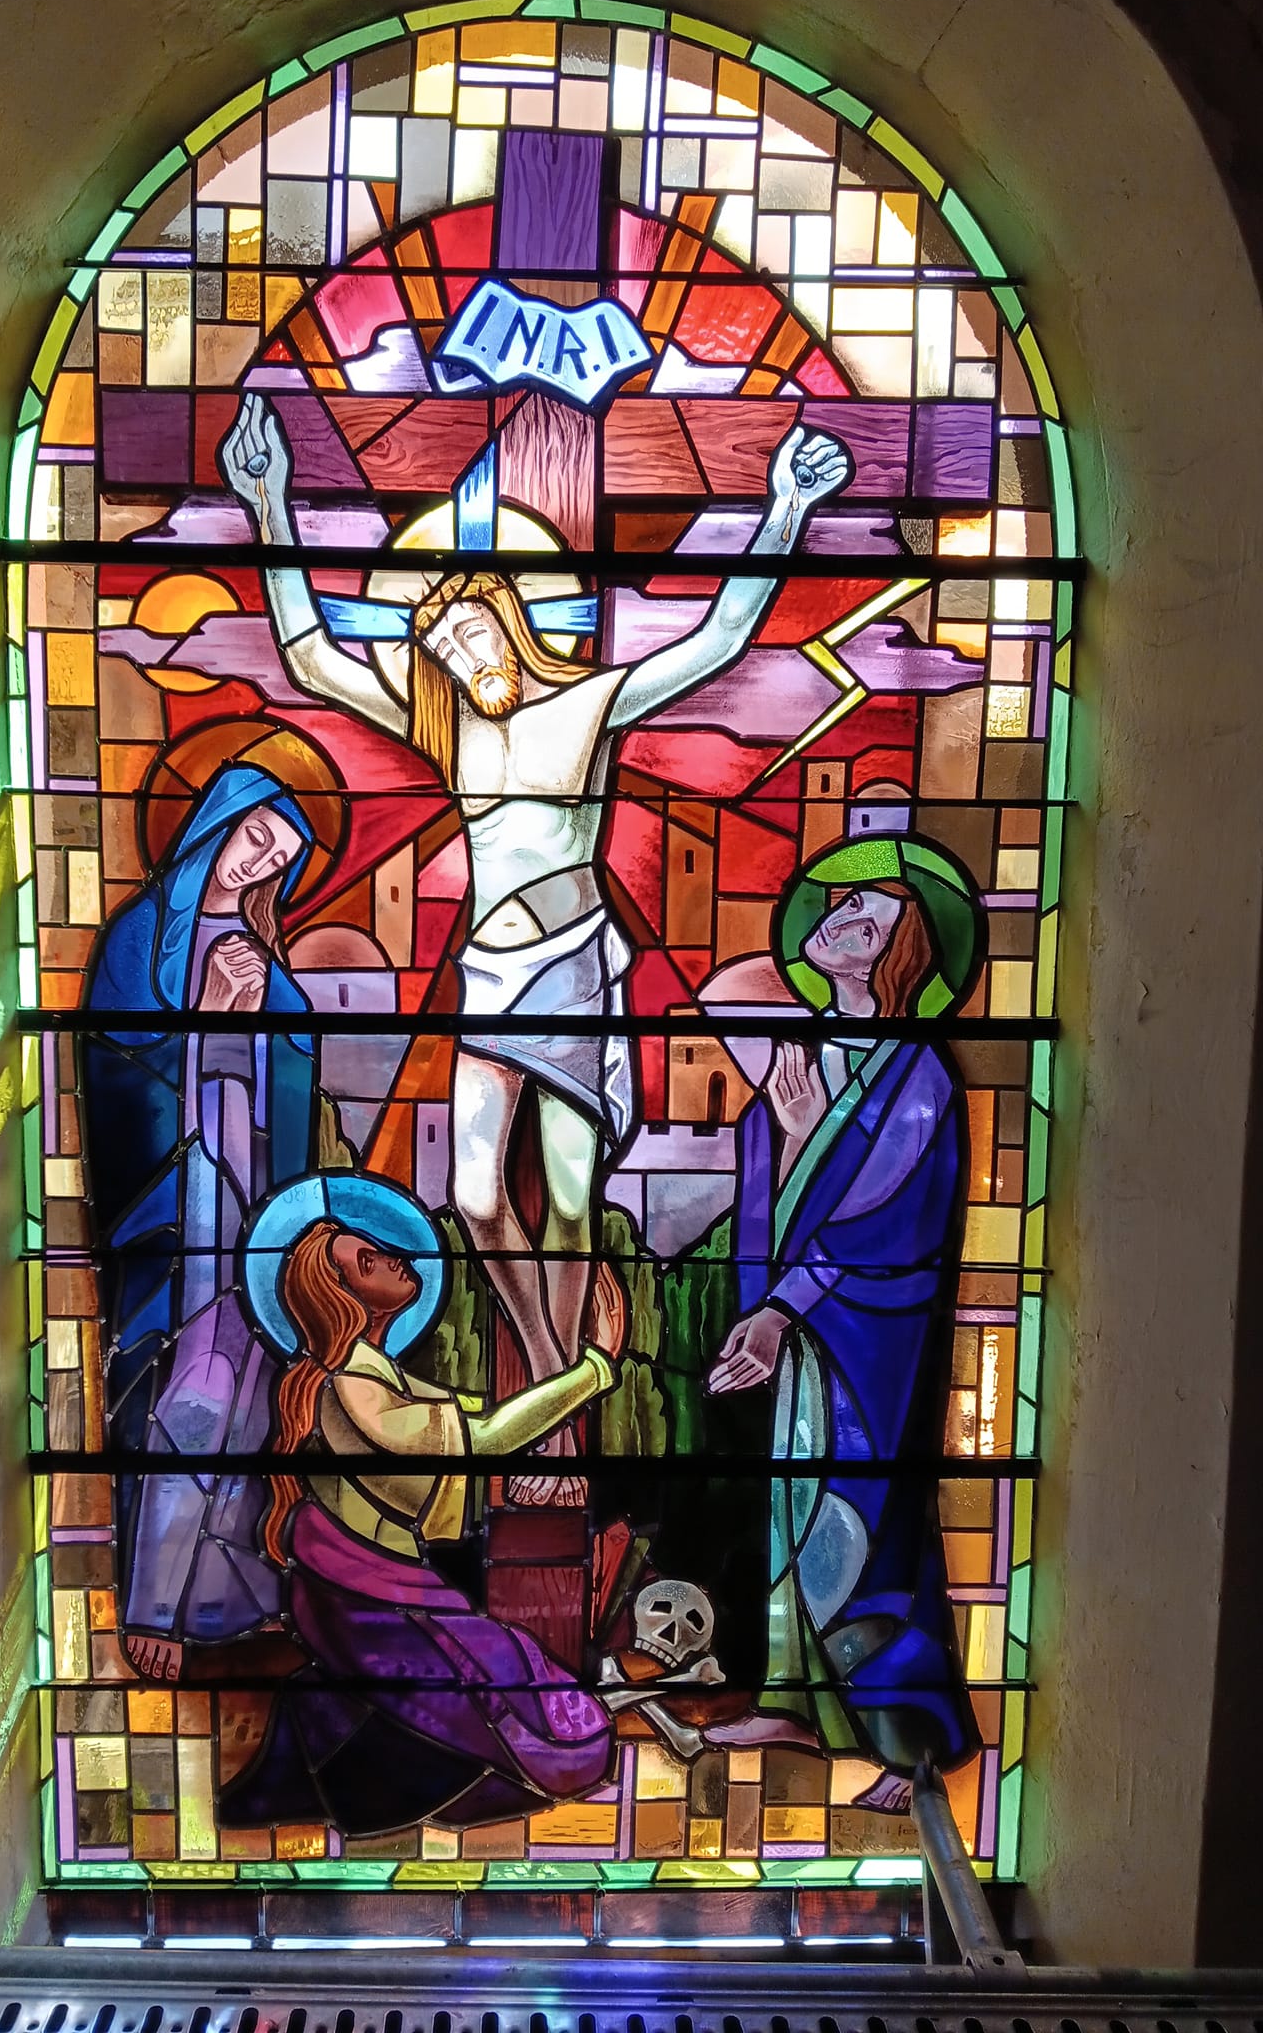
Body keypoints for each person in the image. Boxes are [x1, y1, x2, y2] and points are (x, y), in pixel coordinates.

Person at [220, 394, 852, 1504]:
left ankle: (560, 1428)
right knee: (475, 1198)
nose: (460, 655)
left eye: (471, 633)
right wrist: (267, 502)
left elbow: (716, 642)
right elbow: (314, 658)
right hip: (488, 972)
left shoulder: (587, 707)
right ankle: (561, 1370)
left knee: (566, 1205)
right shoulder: (451, 731)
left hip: (570, 968)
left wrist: (786, 511)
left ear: (512, 622)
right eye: (441, 647)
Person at [703, 840, 985, 1809]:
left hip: (871, 1339)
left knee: (869, 1522)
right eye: (841, 905)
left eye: (868, 920)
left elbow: (890, 1224)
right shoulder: (801, 1055)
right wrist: (788, 1135)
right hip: (801, 1333)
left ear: (899, 955)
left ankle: (911, 1740)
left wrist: (786, 1306)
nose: (839, 921)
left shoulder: (920, 1074)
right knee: (792, 1508)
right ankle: (793, 1696)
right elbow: (767, 1204)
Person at [216, 1172, 627, 1834]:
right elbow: (485, 1440)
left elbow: (486, 1419)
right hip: (368, 1611)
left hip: (395, 1596)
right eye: (367, 1260)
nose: (392, 1257)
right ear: (341, 1295)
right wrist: (595, 1368)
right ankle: (350, 1768)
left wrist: (563, 1375)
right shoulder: (353, 1390)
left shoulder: (382, 1378)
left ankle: (329, 1743)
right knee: (554, 1738)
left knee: (541, 1700)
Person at [80, 761, 318, 1681]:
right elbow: (118, 1065)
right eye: (254, 837)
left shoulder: (261, 951)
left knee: (253, 1384)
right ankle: (152, 1603)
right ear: (216, 820)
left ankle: (230, 1599)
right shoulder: (140, 937)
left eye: (278, 861)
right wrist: (208, 1014)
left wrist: (261, 1019)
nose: (258, 865)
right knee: (181, 1386)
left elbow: (297, 1054)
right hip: (176, 1205)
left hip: (248, 1190)